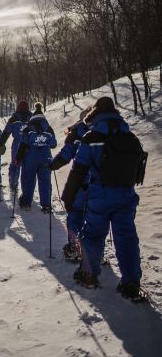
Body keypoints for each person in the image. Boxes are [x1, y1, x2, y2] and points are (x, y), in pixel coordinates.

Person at [62, 96, 146, 301]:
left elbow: (79, 170)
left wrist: (69, 197)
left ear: (96, 114)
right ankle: (131, 283)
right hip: (126, 196)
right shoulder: (131, 138)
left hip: (100, 195)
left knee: (93, 236)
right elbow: (138, 172)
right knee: (126, 238)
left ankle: (88, 275)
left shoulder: (92, 137)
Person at [49, 107, 91, 261]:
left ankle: (74, 247)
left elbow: (66, 154)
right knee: (96, 216)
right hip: (104, 183)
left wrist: (52, 165)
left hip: (80, 180)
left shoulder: (78, 132)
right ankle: (94, 252)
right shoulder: (107, 132)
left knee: (75, 212)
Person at [15, 112, 57, 210]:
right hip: (46, 157)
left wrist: (18, 158)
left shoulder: (27, 129)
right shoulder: (48, 129)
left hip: (30, 157)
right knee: (45, 180)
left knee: (28, 179)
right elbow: (53, 144)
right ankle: (46, 204)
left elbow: (23, 145)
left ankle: (26, 202)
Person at [0, 100, 32, 192]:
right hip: (29, 145)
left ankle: (13, 185)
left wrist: (1, 143)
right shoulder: (31, 117)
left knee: (15, 164)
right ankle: (28, 188)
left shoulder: (14, 118)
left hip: (17, 144)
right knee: (28, 166)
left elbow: (6, 132)